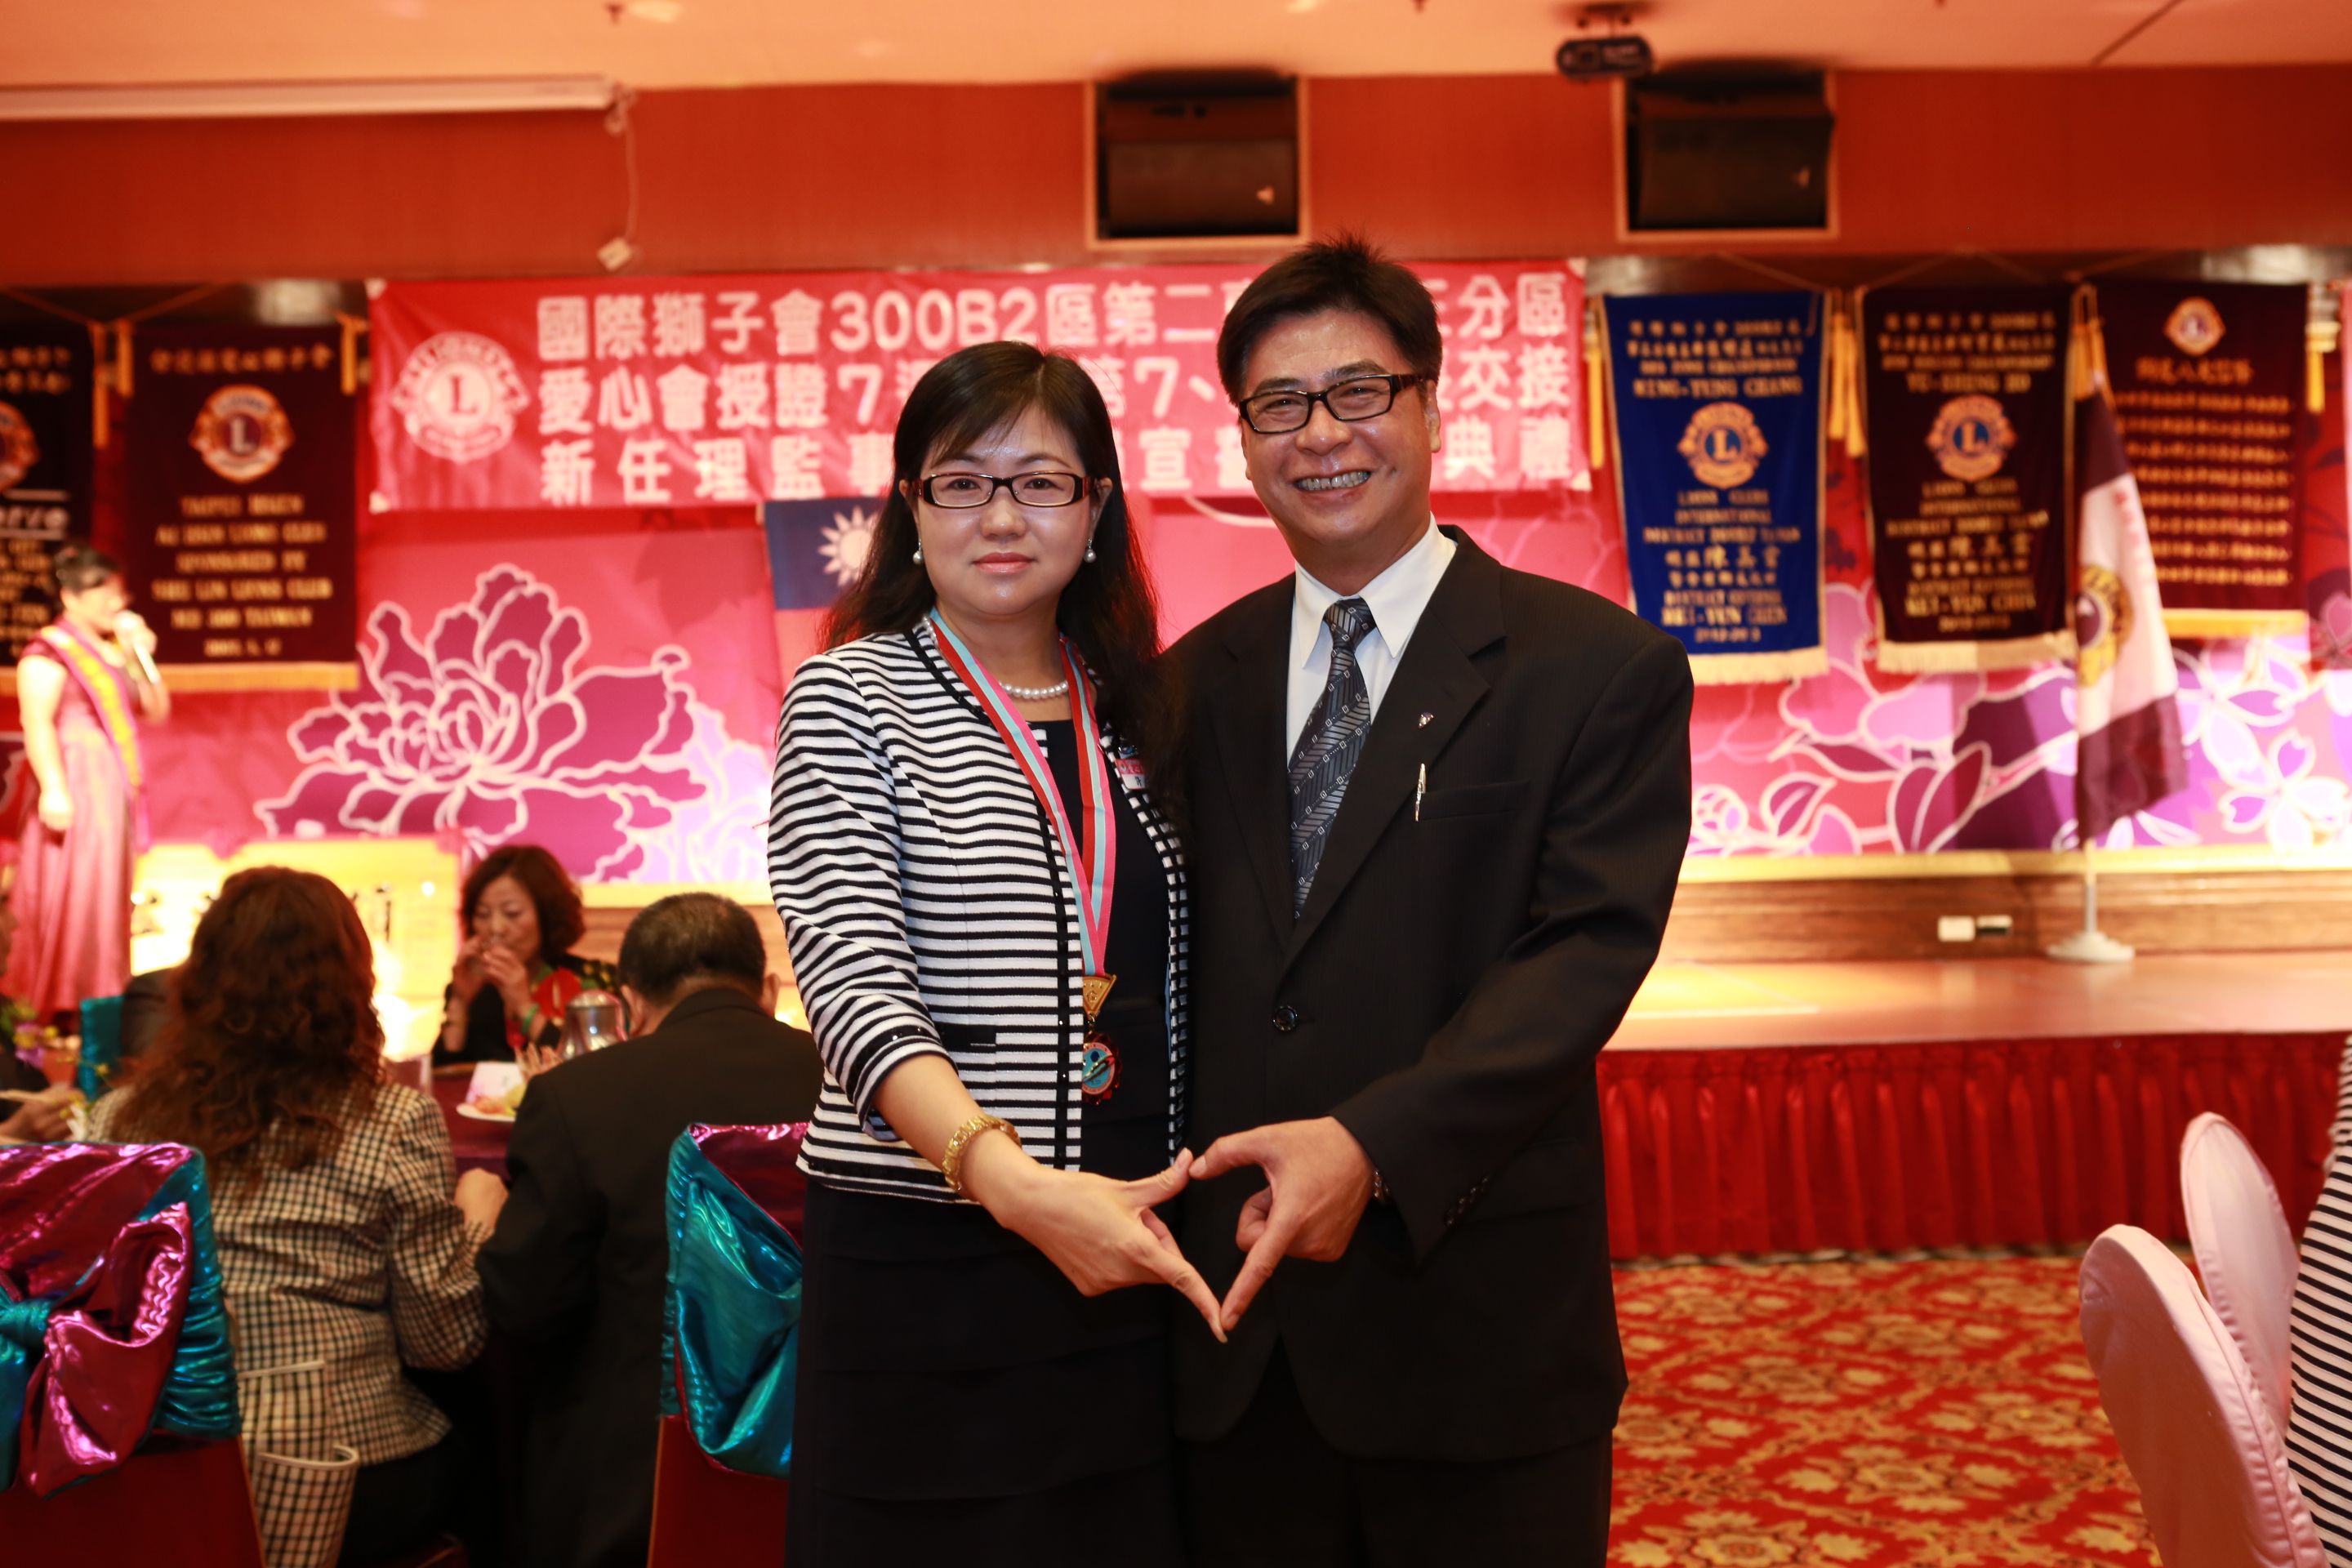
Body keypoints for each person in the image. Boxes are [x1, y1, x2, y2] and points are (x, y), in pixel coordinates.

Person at [1168, 237, 1695, 1566]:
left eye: (1359, 392)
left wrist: (1371, 1145)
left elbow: (1581, 958)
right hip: (1233, 1339)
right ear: (1244, 441)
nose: (1321, 434)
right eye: (1279, 405)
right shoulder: (1184, 688)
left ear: (1432, 406)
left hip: (1472, 1327)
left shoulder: (1595, 669)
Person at [768, 341, 1222, 1566]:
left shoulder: (1145, 710)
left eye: (1042, 482)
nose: (1003, 517)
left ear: (1097, 506)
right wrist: (1017, 1189)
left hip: (1125, 1235)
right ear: (910, 508)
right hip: (937, 1249)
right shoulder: (850, 698)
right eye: (963, 483)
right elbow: (853, 992)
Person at [91, 866, 507, 1566]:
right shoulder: (393, 1120)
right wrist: (478, 1218)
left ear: (198, 980)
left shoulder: (119, 1122)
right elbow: (444, 1343)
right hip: (343, 1462)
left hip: (162, 1461)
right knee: (492, 1456)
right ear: (350, 984)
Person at [475, 892, 822, 1568]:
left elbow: (522, 1308)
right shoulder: (851, 1081)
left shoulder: (576, 1097)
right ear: (769, 989)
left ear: (631, 1005)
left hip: (631, 1495)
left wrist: (483, 1218)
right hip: (838, 1457)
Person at [3, 543, 167, 1021]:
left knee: (104, 890)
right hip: (75, 777)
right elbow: (37, 722)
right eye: (104, 591)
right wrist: (54, 787)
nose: (116, 602)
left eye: (119, 592)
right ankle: (55, 1004)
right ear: (70, 596)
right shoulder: (49, 649)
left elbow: (156, 709)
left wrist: (141, 655)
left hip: (111, 782)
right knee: (73, 885)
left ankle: (98, 998)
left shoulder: (112, 651)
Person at [436, 844, 618, 1064]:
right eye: (483, 914)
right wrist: (458, 1002)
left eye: (512, 913)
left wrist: (524, 1006)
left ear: (546, 914)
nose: (496, 928)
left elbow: (592, 1070)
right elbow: (442, 1075)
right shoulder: (476, 987)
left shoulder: (594, 980)